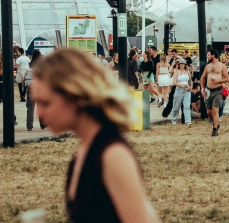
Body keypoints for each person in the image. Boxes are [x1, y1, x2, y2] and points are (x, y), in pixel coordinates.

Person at [30, 48, 159, 223]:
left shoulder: (113, 155)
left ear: (75, 96)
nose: (39, 113)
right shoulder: (86, 150)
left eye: (45, 102)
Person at [200, 49, 229, 136]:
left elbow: (227, 79)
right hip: (209, 90)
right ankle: (216, 124)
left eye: (209, 55)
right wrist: (202, 89)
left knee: (215, 110)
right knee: (209, 112)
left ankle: (214, 129)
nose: (207, 56)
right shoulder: (208, 66)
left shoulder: (222, 66)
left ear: (213, 56)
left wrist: (218, 81)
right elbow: (202, 78)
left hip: (218, 91)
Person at [24, 50, 45, 131]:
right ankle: (43, 124)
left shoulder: (29, 65)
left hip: (31, 87)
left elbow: (24, 75)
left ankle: (29, 125)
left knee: (30, 107)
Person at [169, 59, 192, 125]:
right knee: (176, 106)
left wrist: (191, 87)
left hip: (187, 90)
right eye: (180, 64)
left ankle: (188, 120)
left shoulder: (187, 71)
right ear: (179, 64)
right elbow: (174, 82)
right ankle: (174, 119)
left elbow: (190, 80)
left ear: (185, 65)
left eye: (183, 64)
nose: (182, 65)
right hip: (179, 89)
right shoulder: (176, 71)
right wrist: (182, 85)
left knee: (187, 106)